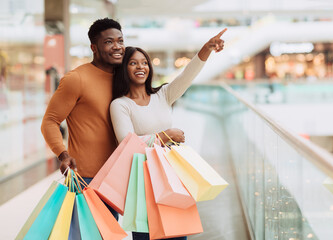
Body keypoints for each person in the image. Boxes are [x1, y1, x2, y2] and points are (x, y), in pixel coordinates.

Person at [110, 28, 227, 240]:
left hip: (172, 177)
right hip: (143, 182)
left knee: (177, 233)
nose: (141, 67)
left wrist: (207, 48)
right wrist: (164, 136)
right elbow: (126, 143)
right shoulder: (120, 105)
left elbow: (188, 75)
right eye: (133, 63)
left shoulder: (163, 95)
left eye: (144, 62)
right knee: (148, 234)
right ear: (124, 69)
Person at [41, 18, 125, 220]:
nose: (117, 47)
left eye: (120, 41)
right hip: (85, 178)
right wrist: (62, 154)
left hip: (117, 177)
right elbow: (50, 121)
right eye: (109, 42)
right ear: (93, 47)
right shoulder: (76, 79)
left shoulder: (125, 78)